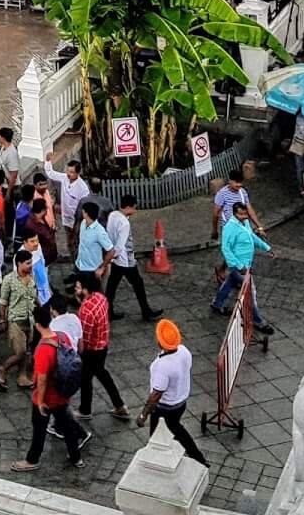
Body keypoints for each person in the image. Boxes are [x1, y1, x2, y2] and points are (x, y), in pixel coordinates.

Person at [12, 303, 86, 471]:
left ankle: (32, 460)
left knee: (39, 429)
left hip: (48, 397)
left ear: (37, 325)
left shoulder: (43, 350)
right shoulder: (61, 337)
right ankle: (76, 458)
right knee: (67, 427)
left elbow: (42, 379)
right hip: (63, 394)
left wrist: (40, 400)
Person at [136, 320, 207, 466]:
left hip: (165, 408)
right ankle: (196, 457)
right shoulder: (183, 351)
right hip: (180, 402)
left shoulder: (164, 366)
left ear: (161, 343)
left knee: (158, 435)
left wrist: (143, 415)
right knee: (174, 428)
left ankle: (192, 458)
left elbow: (156, 394)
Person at [213, 203, 276, 335]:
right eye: (241, 214)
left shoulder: (245, 222)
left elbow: (252, 237)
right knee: (250, 292)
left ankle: (217, 304)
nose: (244, 216)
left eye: (245, 213)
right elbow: (226, 248)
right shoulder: (229, 227)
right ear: (235, 213)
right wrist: (238, 266)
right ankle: (258, 320)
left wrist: (266, 247)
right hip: (239, 266)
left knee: (229, 282)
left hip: (245, 264)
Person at [72, 277, 129, 420]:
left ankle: (85, 410)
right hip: (103, 345)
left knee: (86, 378)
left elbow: (84, 337)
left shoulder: (86, 311)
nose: (76, 290)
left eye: (78, 287)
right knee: (102, 373)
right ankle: (119, 405)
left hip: (91, 350)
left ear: (85, 290)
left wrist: (78, 351)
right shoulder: (101, 298)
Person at [105, 193, 156, 320]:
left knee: (112, 286)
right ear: (127, 207)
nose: (135, 210)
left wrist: (110, 257)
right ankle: (146, 311)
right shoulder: (124, 223)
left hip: (116, 259)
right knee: (138, 284)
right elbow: (121, 245)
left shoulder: (112, 215)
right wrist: (115, 255)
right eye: (134, 208)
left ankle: (108, 311)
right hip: (125, 260)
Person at [0, 247, 40, 391]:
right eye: (27, 263)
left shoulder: (32, 277)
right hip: (15, 320)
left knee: (27, 350)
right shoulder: (9, 280)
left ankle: (22, 377)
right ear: (19, 264)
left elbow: (35, 297)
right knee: (20, 352)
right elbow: (3, 303)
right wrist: (3, 320)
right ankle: (3, 369)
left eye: (31, 262)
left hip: (30, 319)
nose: (30, 265)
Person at [42, 152, 91, 254]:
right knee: (69, 240)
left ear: (78, 173)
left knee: (78, 241)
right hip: (66, 217)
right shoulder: (64, 178)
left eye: (72, 172)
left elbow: (85, 207)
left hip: (77, 220)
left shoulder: (83, 188)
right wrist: (48, 161)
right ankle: (73, 258)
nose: (68, 174)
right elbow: (51, 173)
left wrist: (79, 222)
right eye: (68, 171)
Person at [211, 168, 263, 243]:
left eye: (240, 182)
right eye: (236, 182)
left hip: (242, 226)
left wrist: (259, 226)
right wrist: (215, 230)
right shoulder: (221, 194)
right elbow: (215, 214)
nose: (239, 185)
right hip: (228, 228)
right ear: (230, 181)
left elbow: (249, 209)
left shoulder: (243, 192)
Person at [73, 200, 115, 290]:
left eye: (83, 211)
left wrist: (102, 268)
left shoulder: (99, 231)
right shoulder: (83, 223)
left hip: (91, 270)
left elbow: (111, 251)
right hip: (80, 265)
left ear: (86, 214)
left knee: (91, 295)